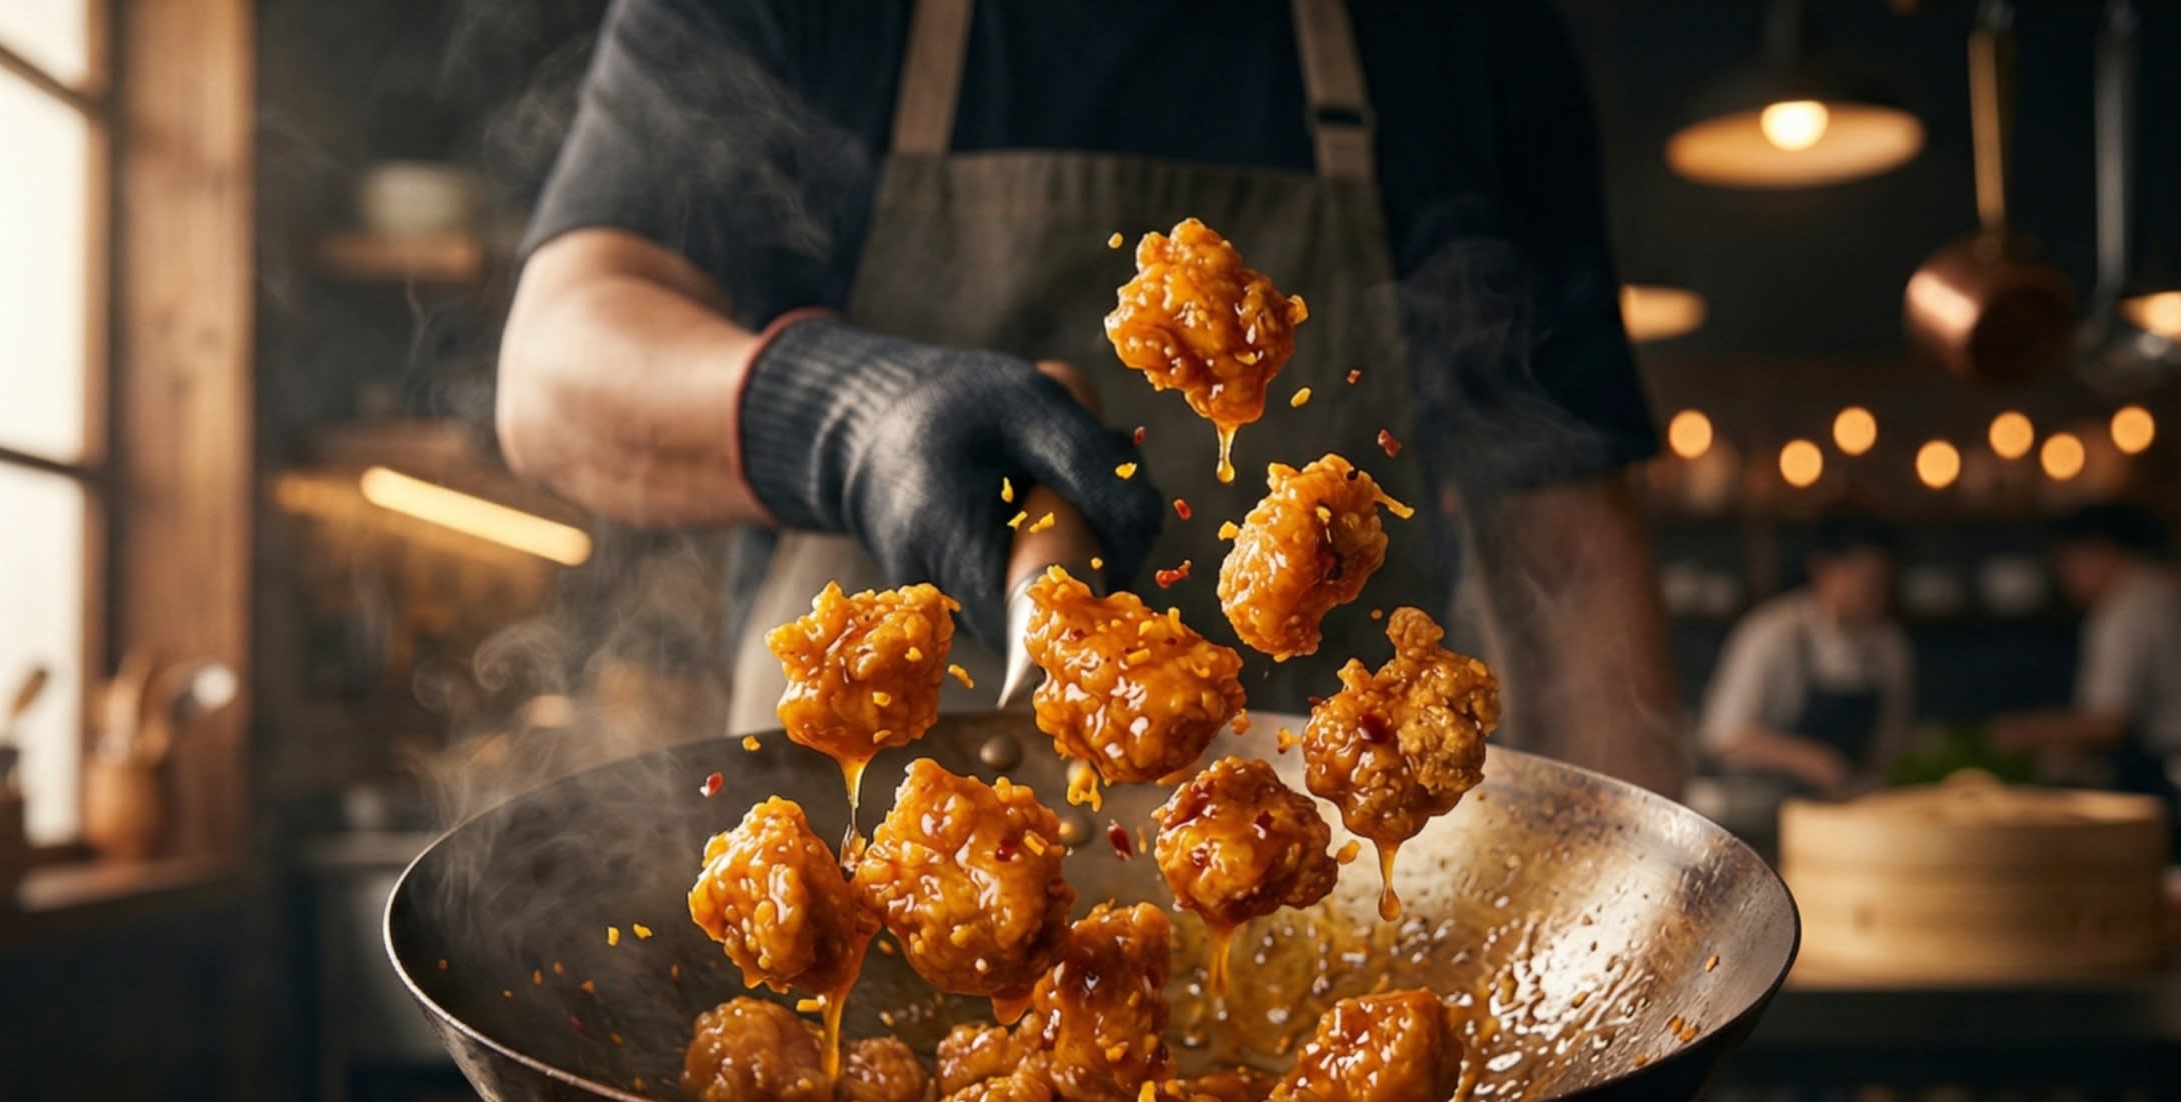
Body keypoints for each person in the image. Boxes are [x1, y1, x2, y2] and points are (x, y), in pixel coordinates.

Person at [494, 0, 1683, 794]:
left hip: (1344, 949)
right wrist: (845, 413)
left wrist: (1634, 1000)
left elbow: (1570, 564)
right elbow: (556, 364)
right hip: (867, 943)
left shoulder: (1457, 27)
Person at [1990, 501, 2181, 791]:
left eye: (2067, 561)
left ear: (2101, 550)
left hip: (2176, 775)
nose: (2063, 576)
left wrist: (2024, 733)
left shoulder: (2126, 609)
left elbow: (2109, 724)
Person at [1697, 514, 1911, 797]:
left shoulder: (1888, 645)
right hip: (1769, 806)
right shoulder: (1774, 633)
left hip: (1853, 808)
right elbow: (1722, 738)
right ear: (1823, 570)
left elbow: (1890, 745)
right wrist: (1809, 760)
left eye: (1882, 582)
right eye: (1864, 579)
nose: (1873, 593)